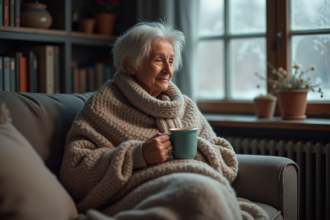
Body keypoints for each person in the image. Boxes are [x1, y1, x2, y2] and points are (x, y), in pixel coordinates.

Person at [60, 21, 268, 220]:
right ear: (131, 65)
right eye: (159, 60)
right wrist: (138, 155)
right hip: (138, 192)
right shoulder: (102, 105)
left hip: (194, 180)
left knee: (202, 191)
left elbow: (224, 158)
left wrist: (195, 149)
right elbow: (75, 171)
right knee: (200, 192)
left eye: (170, 61)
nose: (168, 70)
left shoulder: (186, 107)